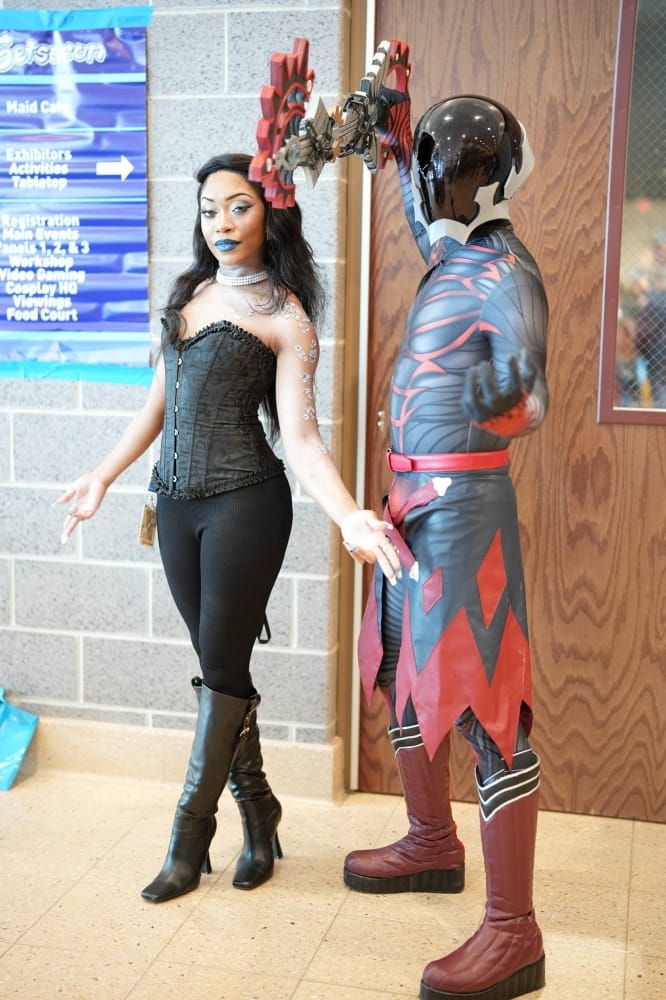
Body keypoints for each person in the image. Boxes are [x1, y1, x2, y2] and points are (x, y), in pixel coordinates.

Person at [57, 152, 400, 904]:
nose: (221, 222)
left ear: (270, 212)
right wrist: (102, 476)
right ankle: (261, 810)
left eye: (239, 206)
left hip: (246, 504)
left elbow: (301, 439)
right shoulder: (191, 293)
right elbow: (158, 403)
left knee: (218, 669)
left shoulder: (286, 316)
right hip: (175, 507)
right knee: (226, 672)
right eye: (210, 209)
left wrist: (348, 513)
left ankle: (189, 838)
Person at [343, 94, 549, 1000]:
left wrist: (500, 395)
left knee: (488, 708)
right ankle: (431, 841)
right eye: (433, 170)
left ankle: (514, 929)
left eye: (448, 170)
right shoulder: (457, 253)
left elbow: (529, 399)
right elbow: (423, 217)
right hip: (410, 506)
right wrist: (394, 146)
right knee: (400, 670)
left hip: (464, 511)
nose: (435, 188)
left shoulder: (507, 270)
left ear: (491, 180)